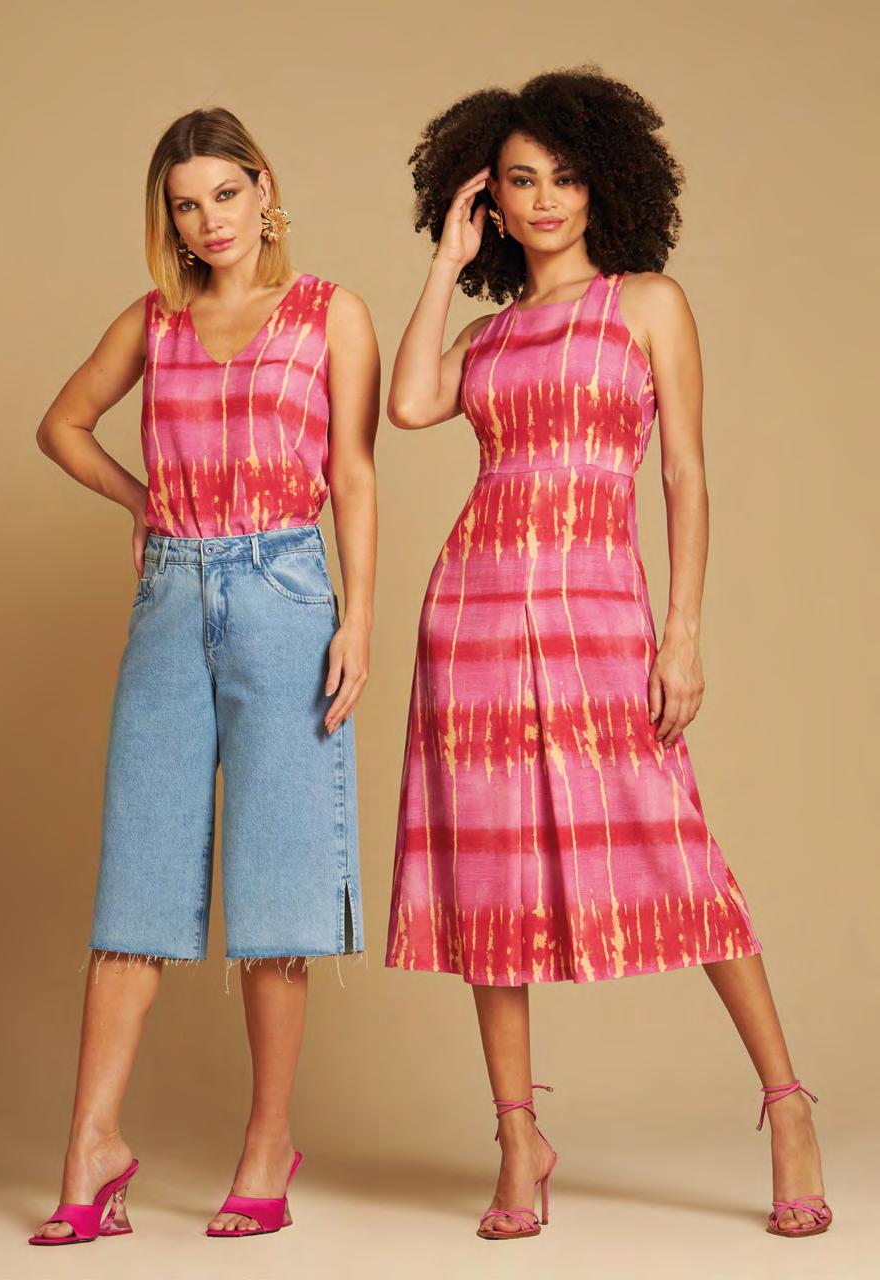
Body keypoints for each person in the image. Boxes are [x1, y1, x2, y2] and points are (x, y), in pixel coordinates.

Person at [385, 68, 829, 1242]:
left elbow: (683, 472)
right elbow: (409, 404)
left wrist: (681, 630)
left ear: (604, 184)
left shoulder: (646, 304)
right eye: (517, 181)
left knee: (676, 850)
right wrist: (444, 260)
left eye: (563, 178)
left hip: (597, 611)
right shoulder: (485, 330)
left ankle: (786, 1102)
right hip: (473, 615)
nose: (541, 201)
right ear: (487, 199)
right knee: (487, 875)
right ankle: (517, 1136)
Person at [30, 105, 378, 1243]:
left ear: (263, 190)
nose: (208, 220)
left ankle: (267, 1144)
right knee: (136, 878)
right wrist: (141, 502)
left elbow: (354, 474)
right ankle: (90, 1148)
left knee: (277, 890)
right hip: (173, 597)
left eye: (225, 194)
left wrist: (359, 618)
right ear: (168, 219)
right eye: (185, 204)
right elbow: (63, 424)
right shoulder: (155, 321)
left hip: (287, 595)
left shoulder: (330, 314)